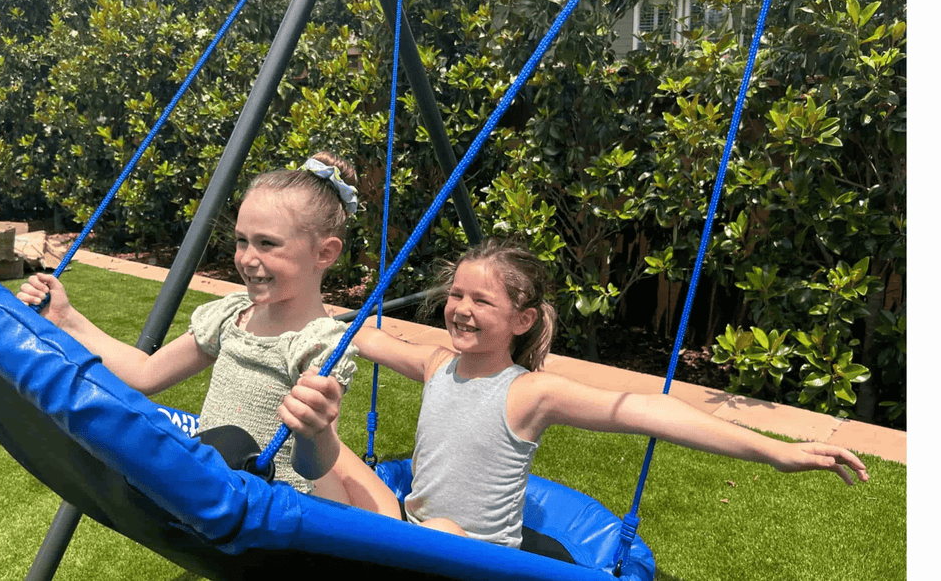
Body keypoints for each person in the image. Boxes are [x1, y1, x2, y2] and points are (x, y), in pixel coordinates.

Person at [330, 238, 870, 556]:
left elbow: (646, 409)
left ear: (521, 321)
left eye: (481, 300)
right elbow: (367, 336)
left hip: (479, 556)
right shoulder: (436, 364)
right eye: (456, 294)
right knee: (326, 453)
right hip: (413, 527)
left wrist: (777, 451)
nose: (461, 308)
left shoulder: (528, 393)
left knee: (441, 533)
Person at [17, 152, 365, 497]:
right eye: (242, 240)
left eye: (267, 244)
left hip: (276, 508)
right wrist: (66, 318)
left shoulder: (321, 344)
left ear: (324, 253)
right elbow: (145, 373)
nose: (246, 258)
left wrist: (315, 432)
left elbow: (313, 467)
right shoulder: (232, 316)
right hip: (217, 491)